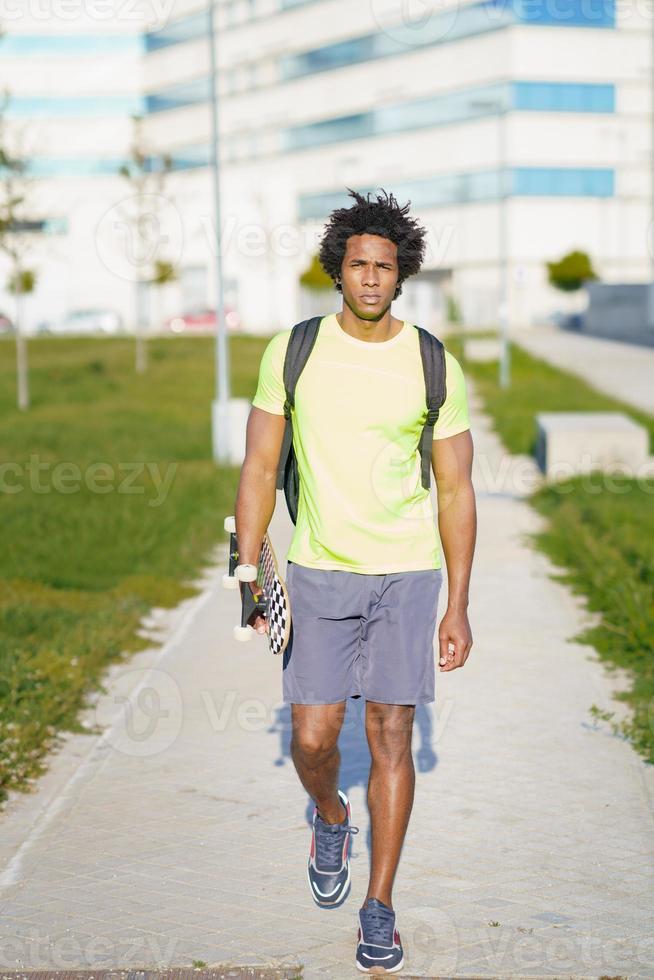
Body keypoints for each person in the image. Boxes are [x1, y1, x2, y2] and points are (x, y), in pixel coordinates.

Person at [234, 188, 476, 975]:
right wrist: (247, 566)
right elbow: (262, 466)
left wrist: (459, 604)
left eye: (385, 267)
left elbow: (456, 490)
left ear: (401, 275)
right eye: (358, 265)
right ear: (337, 272)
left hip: (407, 575)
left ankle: (380, 906)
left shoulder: (434, 361)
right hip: (320, 571)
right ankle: (331, 813)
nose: (372, 278)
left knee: (392, 737)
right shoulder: (293, 350)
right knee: (313, 737)